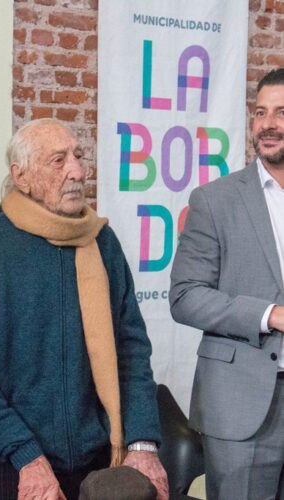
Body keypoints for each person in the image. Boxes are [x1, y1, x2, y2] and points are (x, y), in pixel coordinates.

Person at [0, 118, 168, 500]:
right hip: (6, 467)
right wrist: (26, 455)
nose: (77, 171)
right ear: (21, 177)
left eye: (78, 156)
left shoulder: (103, 242)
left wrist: (142, 443)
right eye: (58, 161)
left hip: (95, 465)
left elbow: (131, 351)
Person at [169, 68, 284, 499]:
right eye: (261, 112)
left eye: (282, 113)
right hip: (242, 406)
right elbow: (185, 296)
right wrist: (268, 315)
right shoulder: (214, 200)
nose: (268, 124)